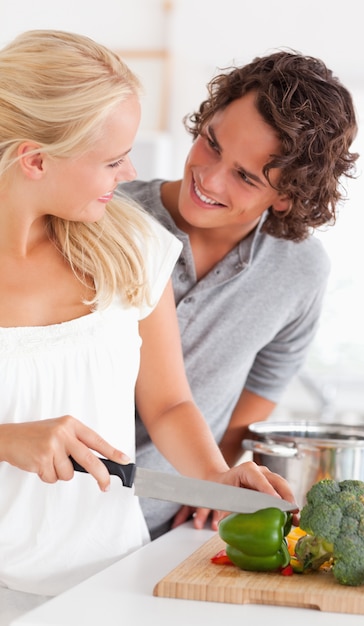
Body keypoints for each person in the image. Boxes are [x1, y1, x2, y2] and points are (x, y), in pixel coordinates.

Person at [0, 30, 297, 604]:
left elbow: (168, 403)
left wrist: (214, 476)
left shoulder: (131, 245)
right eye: (112, 159)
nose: (130, 170)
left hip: (110, 577)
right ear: (34, 159)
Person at [122, 49, 359, 539]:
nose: (207, 178)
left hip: (167, 529)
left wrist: (215, 481)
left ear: (288, 195)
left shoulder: (300, 272)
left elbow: (265, 381)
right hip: (51, 512)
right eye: (211, 143)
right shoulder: (111, 219)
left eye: (245, 176)